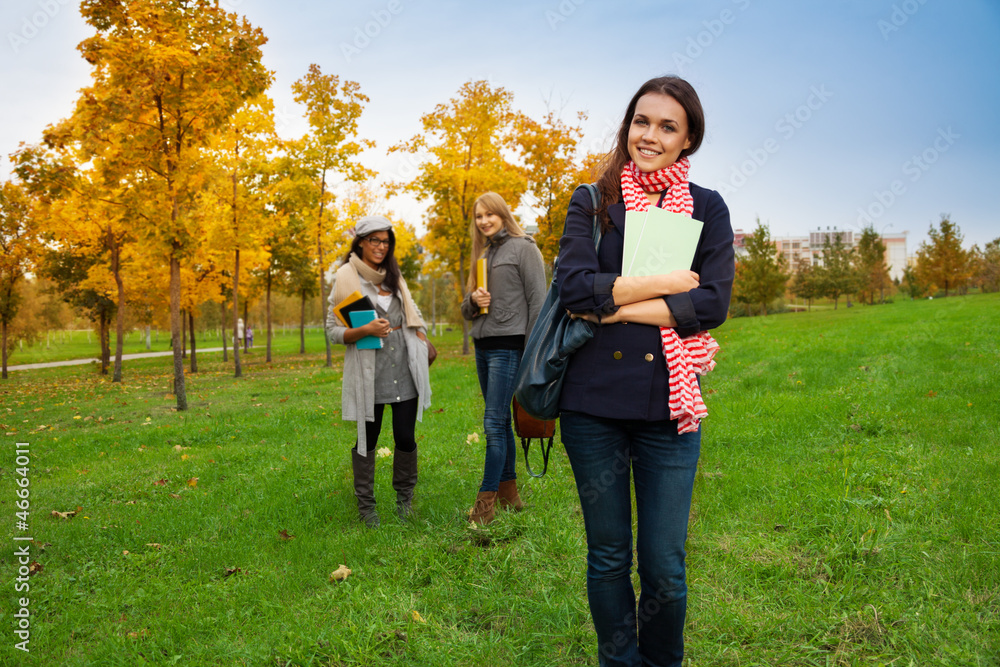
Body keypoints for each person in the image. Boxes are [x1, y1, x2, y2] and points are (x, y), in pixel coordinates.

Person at [556, 76, 735, 666]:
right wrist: (663, 284)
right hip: (593, 407)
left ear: (688, 141)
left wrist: (614, 308)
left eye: (667, 126)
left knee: (664, 564)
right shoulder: (591, 201)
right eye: (641, 121)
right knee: (608, 556)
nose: (649, 135)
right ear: (626, 126)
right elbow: (573, 289)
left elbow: (711, 304)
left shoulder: (707, 208)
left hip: (670, 408)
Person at [326, 216, 432, 528]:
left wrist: (422, 336)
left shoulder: (395, 277)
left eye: (385, 241)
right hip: (369, 370)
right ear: (360, 241)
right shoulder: (346, 278)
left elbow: (415, 313)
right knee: (366, 440)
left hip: (405, 367)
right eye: (374, 240)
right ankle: (367, 508)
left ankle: (404, 501)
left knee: (405, 437)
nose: (380, 247)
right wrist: (363, 330)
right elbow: (332, 330)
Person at [460, 192, 546, 525]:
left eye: (489, 214)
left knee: (493, 423)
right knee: (501, 422)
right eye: (478, 216)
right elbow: (468, 311)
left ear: (502, 213)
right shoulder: (482, 254)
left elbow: (538, 303)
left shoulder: (525, 248)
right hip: (483, 343)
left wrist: (532, 354)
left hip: (510, 347)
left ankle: (485, 504)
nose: (483, 221)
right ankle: (510, 494)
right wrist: (472, 298)